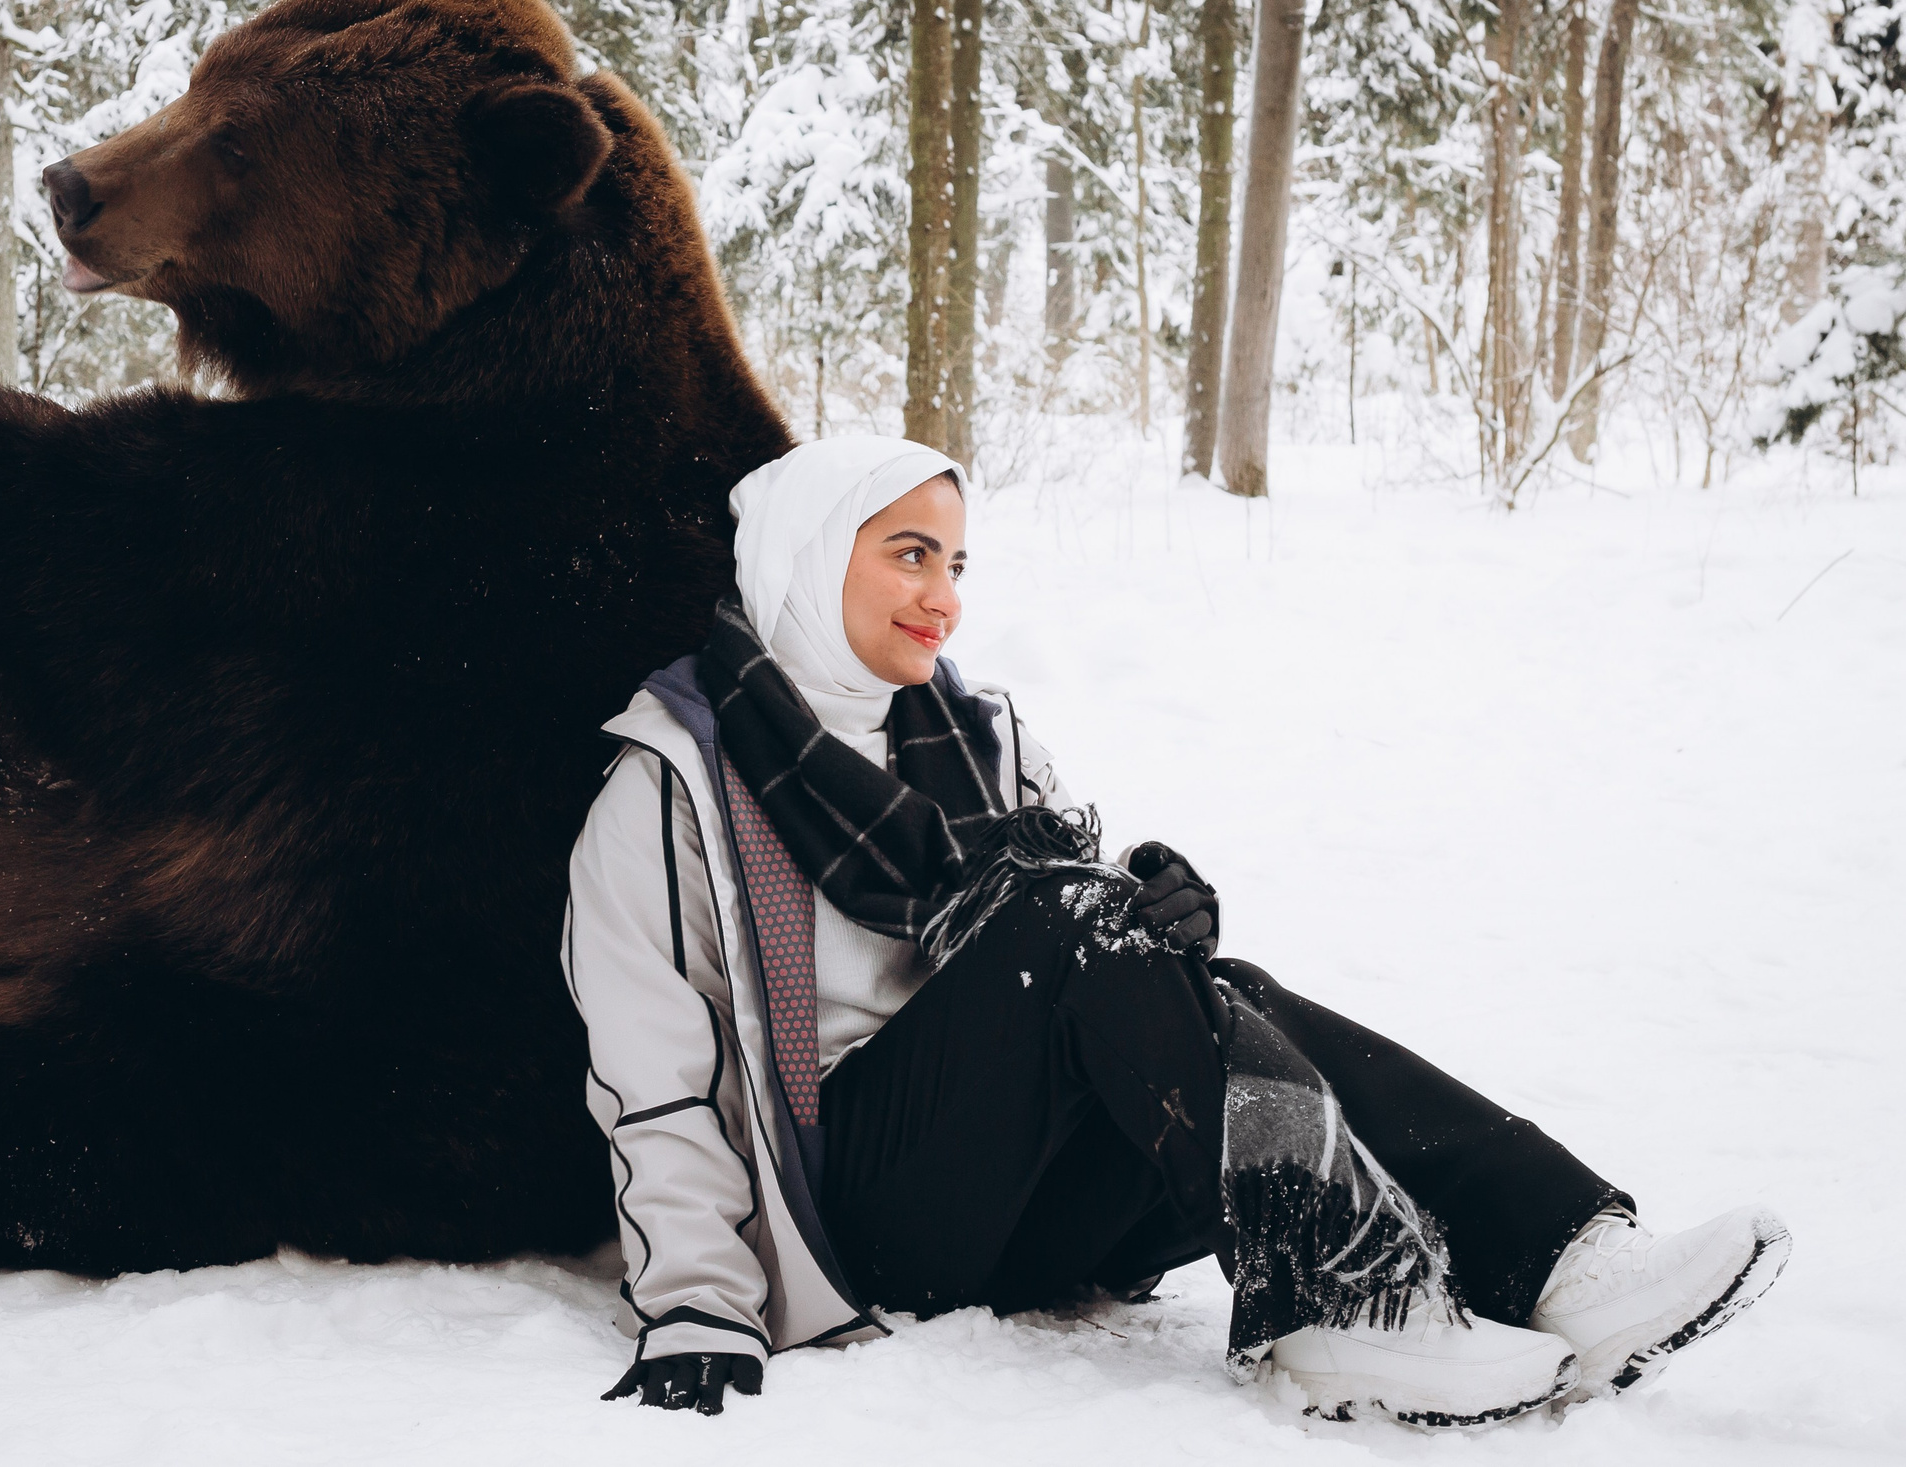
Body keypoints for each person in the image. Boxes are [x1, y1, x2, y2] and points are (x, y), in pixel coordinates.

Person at [561, 436, 1788, 1427]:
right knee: (1070, 920)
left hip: (1026, 1212)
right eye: (908, 555)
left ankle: (1564, 1260)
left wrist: (1157, 912)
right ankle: (1342, 1296)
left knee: (1216, 977)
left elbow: (1072, 958)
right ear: (808, 556)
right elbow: (657, 1077)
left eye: (959, 563)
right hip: (856, 1218)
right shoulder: (675, 782)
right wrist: (699, 1307)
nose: (943, 597)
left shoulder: (978, 736)